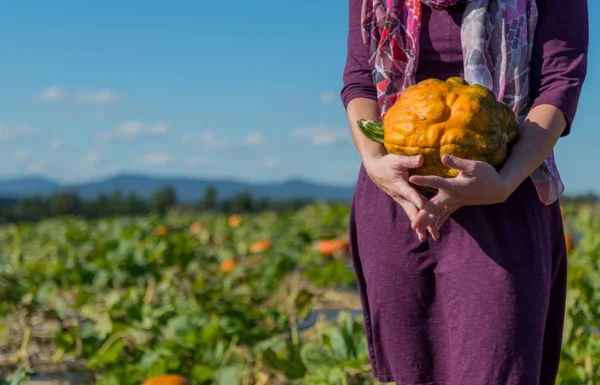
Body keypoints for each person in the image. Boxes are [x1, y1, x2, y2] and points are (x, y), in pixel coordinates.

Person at [340, 0, 588, 384]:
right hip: (400, 199)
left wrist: (505, 181)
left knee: (500, 368)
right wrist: (373, 160)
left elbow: (559, 84)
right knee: (412, 371)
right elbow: (360, 79)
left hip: (503, 198)